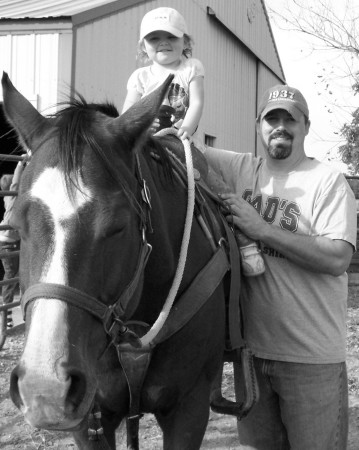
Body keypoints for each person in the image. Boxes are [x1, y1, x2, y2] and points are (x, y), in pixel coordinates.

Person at [203, 85, 357, 449]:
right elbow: (182, 147)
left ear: (306, 126)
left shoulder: (327, 182)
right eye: (273, 118)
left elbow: (337, 258)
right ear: (259, 125)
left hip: (311, 360)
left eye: (291, 119)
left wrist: (262, 230)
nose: (281, 126)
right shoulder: (241, 169)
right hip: (252, 358)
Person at [122, 7, 204, 141]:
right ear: (143, 46)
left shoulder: (191, 68)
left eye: (172, 37)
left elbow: (196, 102)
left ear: (186, 42)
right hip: (147, 142)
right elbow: (127, 112)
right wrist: (140, 125)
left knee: (237, 161)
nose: (164, 42)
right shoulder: (140, 77)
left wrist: (187, 128)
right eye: (154, 38)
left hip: (184, 141)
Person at [0, 159, 26, 328]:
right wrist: (20, 165)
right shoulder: (11, 198)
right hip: (7, 243)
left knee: (16, 276)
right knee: (10, 278)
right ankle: (5, 316)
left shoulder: (12, 201)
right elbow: (16, 183)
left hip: (12, 242)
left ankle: (8, 314)